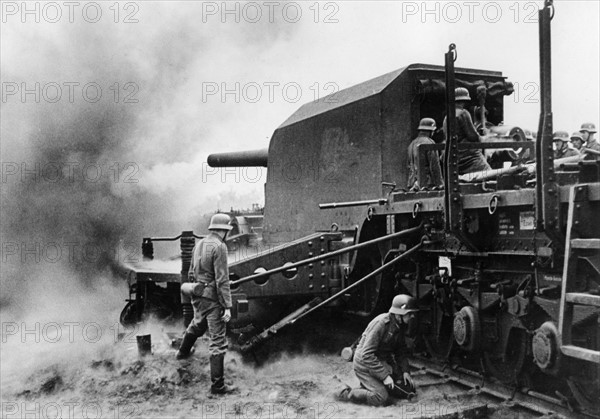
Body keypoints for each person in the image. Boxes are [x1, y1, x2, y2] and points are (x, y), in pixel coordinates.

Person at [176, 213, 235, 395]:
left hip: (197, 293)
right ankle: (218, 386)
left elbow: (192, 272)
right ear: (224, 230)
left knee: (196, 325)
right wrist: (227, 306)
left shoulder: (200, 244)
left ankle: (181, 354)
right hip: (213, 299)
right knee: (217, 341)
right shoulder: (220, 246)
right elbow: (222, 279)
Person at [336, 295, 418, 406]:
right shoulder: (381, 324)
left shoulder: (400, 325)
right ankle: (346, 393)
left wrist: (405, 371)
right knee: (381, 397)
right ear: (399, 314)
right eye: (409, 313)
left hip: (379, 361)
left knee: (407, 389)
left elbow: (401, 350)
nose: (412, 316)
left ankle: (368, 386)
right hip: (364, 364)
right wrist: (385, 376)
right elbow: (367, 355)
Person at [442, 87, 492, 174]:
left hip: (453, 156)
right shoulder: (463, 113)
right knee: (489, 173)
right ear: (464, 100)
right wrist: (483, 138)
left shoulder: (447, 116)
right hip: (468, 156)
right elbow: (472, 136)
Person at [407, 118, 443, 190]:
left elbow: (408, 165)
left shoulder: (412, 144)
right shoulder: (430, 143)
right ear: (431, 131)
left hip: (413, 184)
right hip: (427, 184)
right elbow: (434, 166)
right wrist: (440, 184)